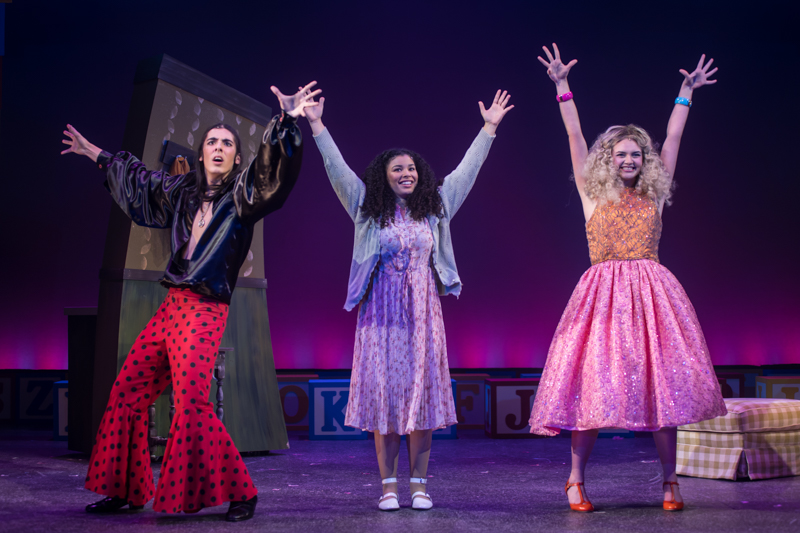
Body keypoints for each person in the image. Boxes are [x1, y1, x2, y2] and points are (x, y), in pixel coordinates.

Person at [61, 82, 320, 520]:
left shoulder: (242, 197)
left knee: (192, 402)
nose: (218, 148)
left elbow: (270, 173)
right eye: (212, 142)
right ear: (201, 154)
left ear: (236, 158)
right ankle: (125, 489)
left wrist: (286, 120)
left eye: (227, 144)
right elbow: (141, 184)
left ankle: (242, 493)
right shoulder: (182, 192)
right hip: (171, 307)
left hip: (205, 309)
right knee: (127, 392)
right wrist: (95, 154)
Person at [528, 44, 727, 512]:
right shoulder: (592, 194)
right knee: (591, 389)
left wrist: (685, 93)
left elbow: (673, 138)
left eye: (636, 154)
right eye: (621, 154)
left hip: (653, 299)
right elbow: (575, 134)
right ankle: (575, 481)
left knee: (664, 388)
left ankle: (670, 482)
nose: (629, 160)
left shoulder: (654, 195)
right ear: (608, 159)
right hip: (601, 300)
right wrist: (562, 86)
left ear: (645, 160)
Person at [302, 88, 513, 510]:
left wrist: (488, 128)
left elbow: (465, 172)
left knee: (422, 398)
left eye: (412, 168)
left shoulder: (436, 208)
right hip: (380, 317)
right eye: (397, 168)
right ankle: (388, 487)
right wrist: (317, 124)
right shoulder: (366, 208)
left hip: (423, 316)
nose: (406, 173)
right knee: (385, 399)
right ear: (384, 176)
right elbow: (336, 169)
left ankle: (419, 484)